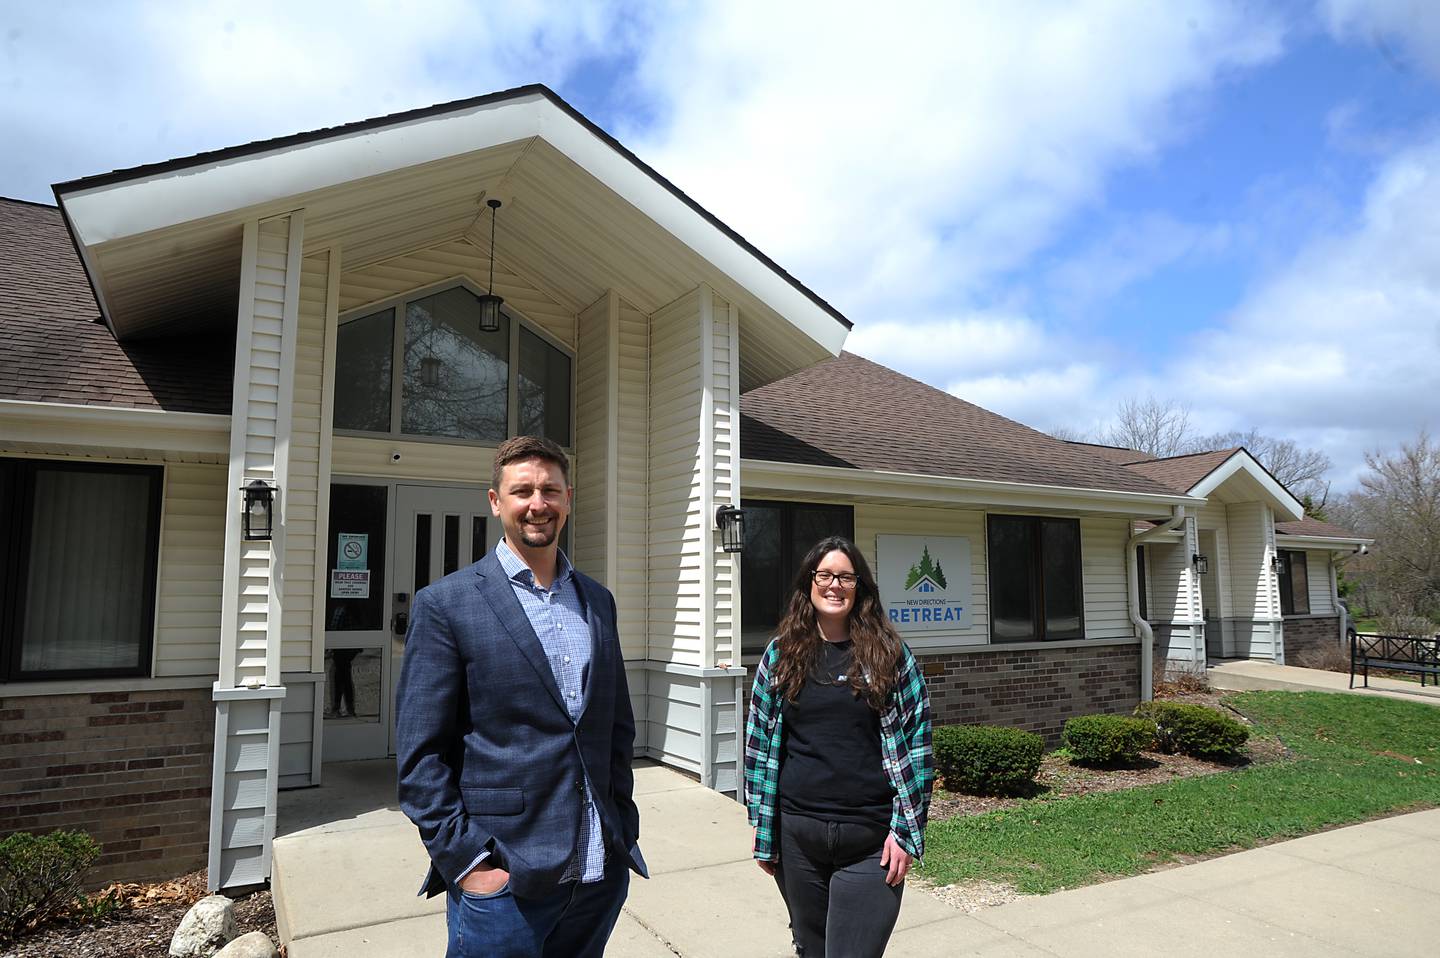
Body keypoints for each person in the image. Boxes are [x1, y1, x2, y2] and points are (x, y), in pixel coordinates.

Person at [396, 435, 647, 958]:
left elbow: (615, 728)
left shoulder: (597, 601)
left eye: (550, 490)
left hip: (598, 870)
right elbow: (421, 757)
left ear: (568, 498)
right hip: (506, 880)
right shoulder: (446, 604)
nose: (538, 503)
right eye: (523, 491)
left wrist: (622, 823)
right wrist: (468, 861)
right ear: (496, 502)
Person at [743, 535, 933, 958]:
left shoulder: (891, 656)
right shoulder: (780, 655)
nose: (834, 585)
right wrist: (764, 827)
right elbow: (758, 744)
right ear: (808, 584)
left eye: (846, 577)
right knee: (811, 951)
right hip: (798, 838)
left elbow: (919, 746)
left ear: (860, 587)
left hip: (869, 842)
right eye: (824, 575)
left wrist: (905, 832)